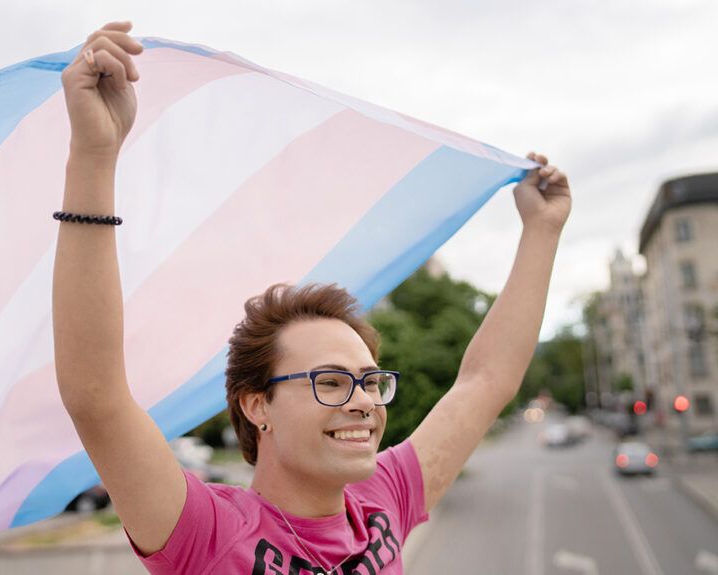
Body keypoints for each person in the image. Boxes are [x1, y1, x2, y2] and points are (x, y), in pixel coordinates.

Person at [53, 21, 571, 574]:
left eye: (372, 380)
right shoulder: (208, 533)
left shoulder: (383, 502)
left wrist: (542, 233)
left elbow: (485, 382)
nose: (365, 401)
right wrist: (94, 153)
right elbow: (96, 396)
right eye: (330, 381)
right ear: (257, 406)